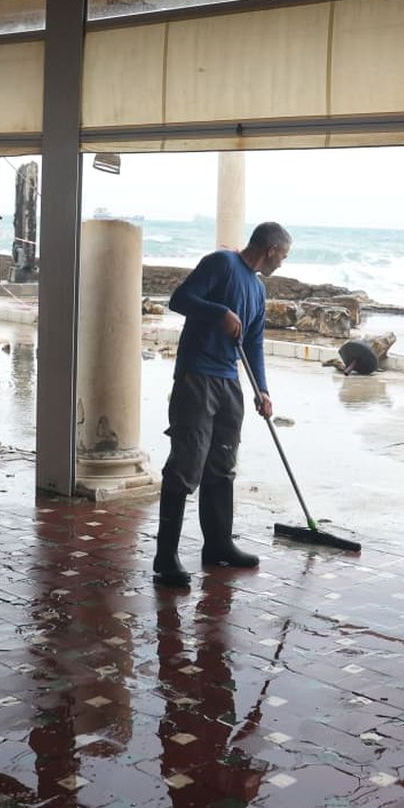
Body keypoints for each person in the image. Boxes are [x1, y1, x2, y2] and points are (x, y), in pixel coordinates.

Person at [153, 221, 292, 588]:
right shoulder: (221, 264)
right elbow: (179, 300)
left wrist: (262, 389)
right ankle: (165, 556)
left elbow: (254, 344)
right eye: (284, 256)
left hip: (230, 380)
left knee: (222, 465)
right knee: (186, 465)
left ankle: (218, 545)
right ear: (272, 249)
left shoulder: (258, 290)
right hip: (197, 376)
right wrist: (219, 312)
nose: (282, 264)